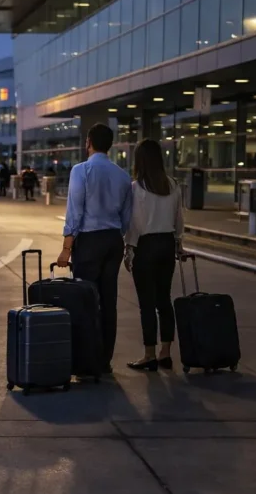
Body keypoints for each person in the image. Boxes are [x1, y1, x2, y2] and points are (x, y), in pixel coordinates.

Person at [56, 123, 132, 373]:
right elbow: (127, 218)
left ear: (88, 142)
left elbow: (75, 211)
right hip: (113, 240)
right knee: (109, 301)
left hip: (89, 241)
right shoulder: (123, 176)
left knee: (86, 299)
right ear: (110, 145)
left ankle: (86, 360)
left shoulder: (81, 170)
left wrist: (67, 247)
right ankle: (104, 360)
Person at [123, 139, 185, 371]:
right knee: (164, 300)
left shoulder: (136, 188)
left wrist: (129, 249)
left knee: (146, 303)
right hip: (167, 244)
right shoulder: (172, 184)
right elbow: (179, 219)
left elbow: (134, 223)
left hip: (146, 245)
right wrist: (178, 243)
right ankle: (165, 353)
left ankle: (149, 354)